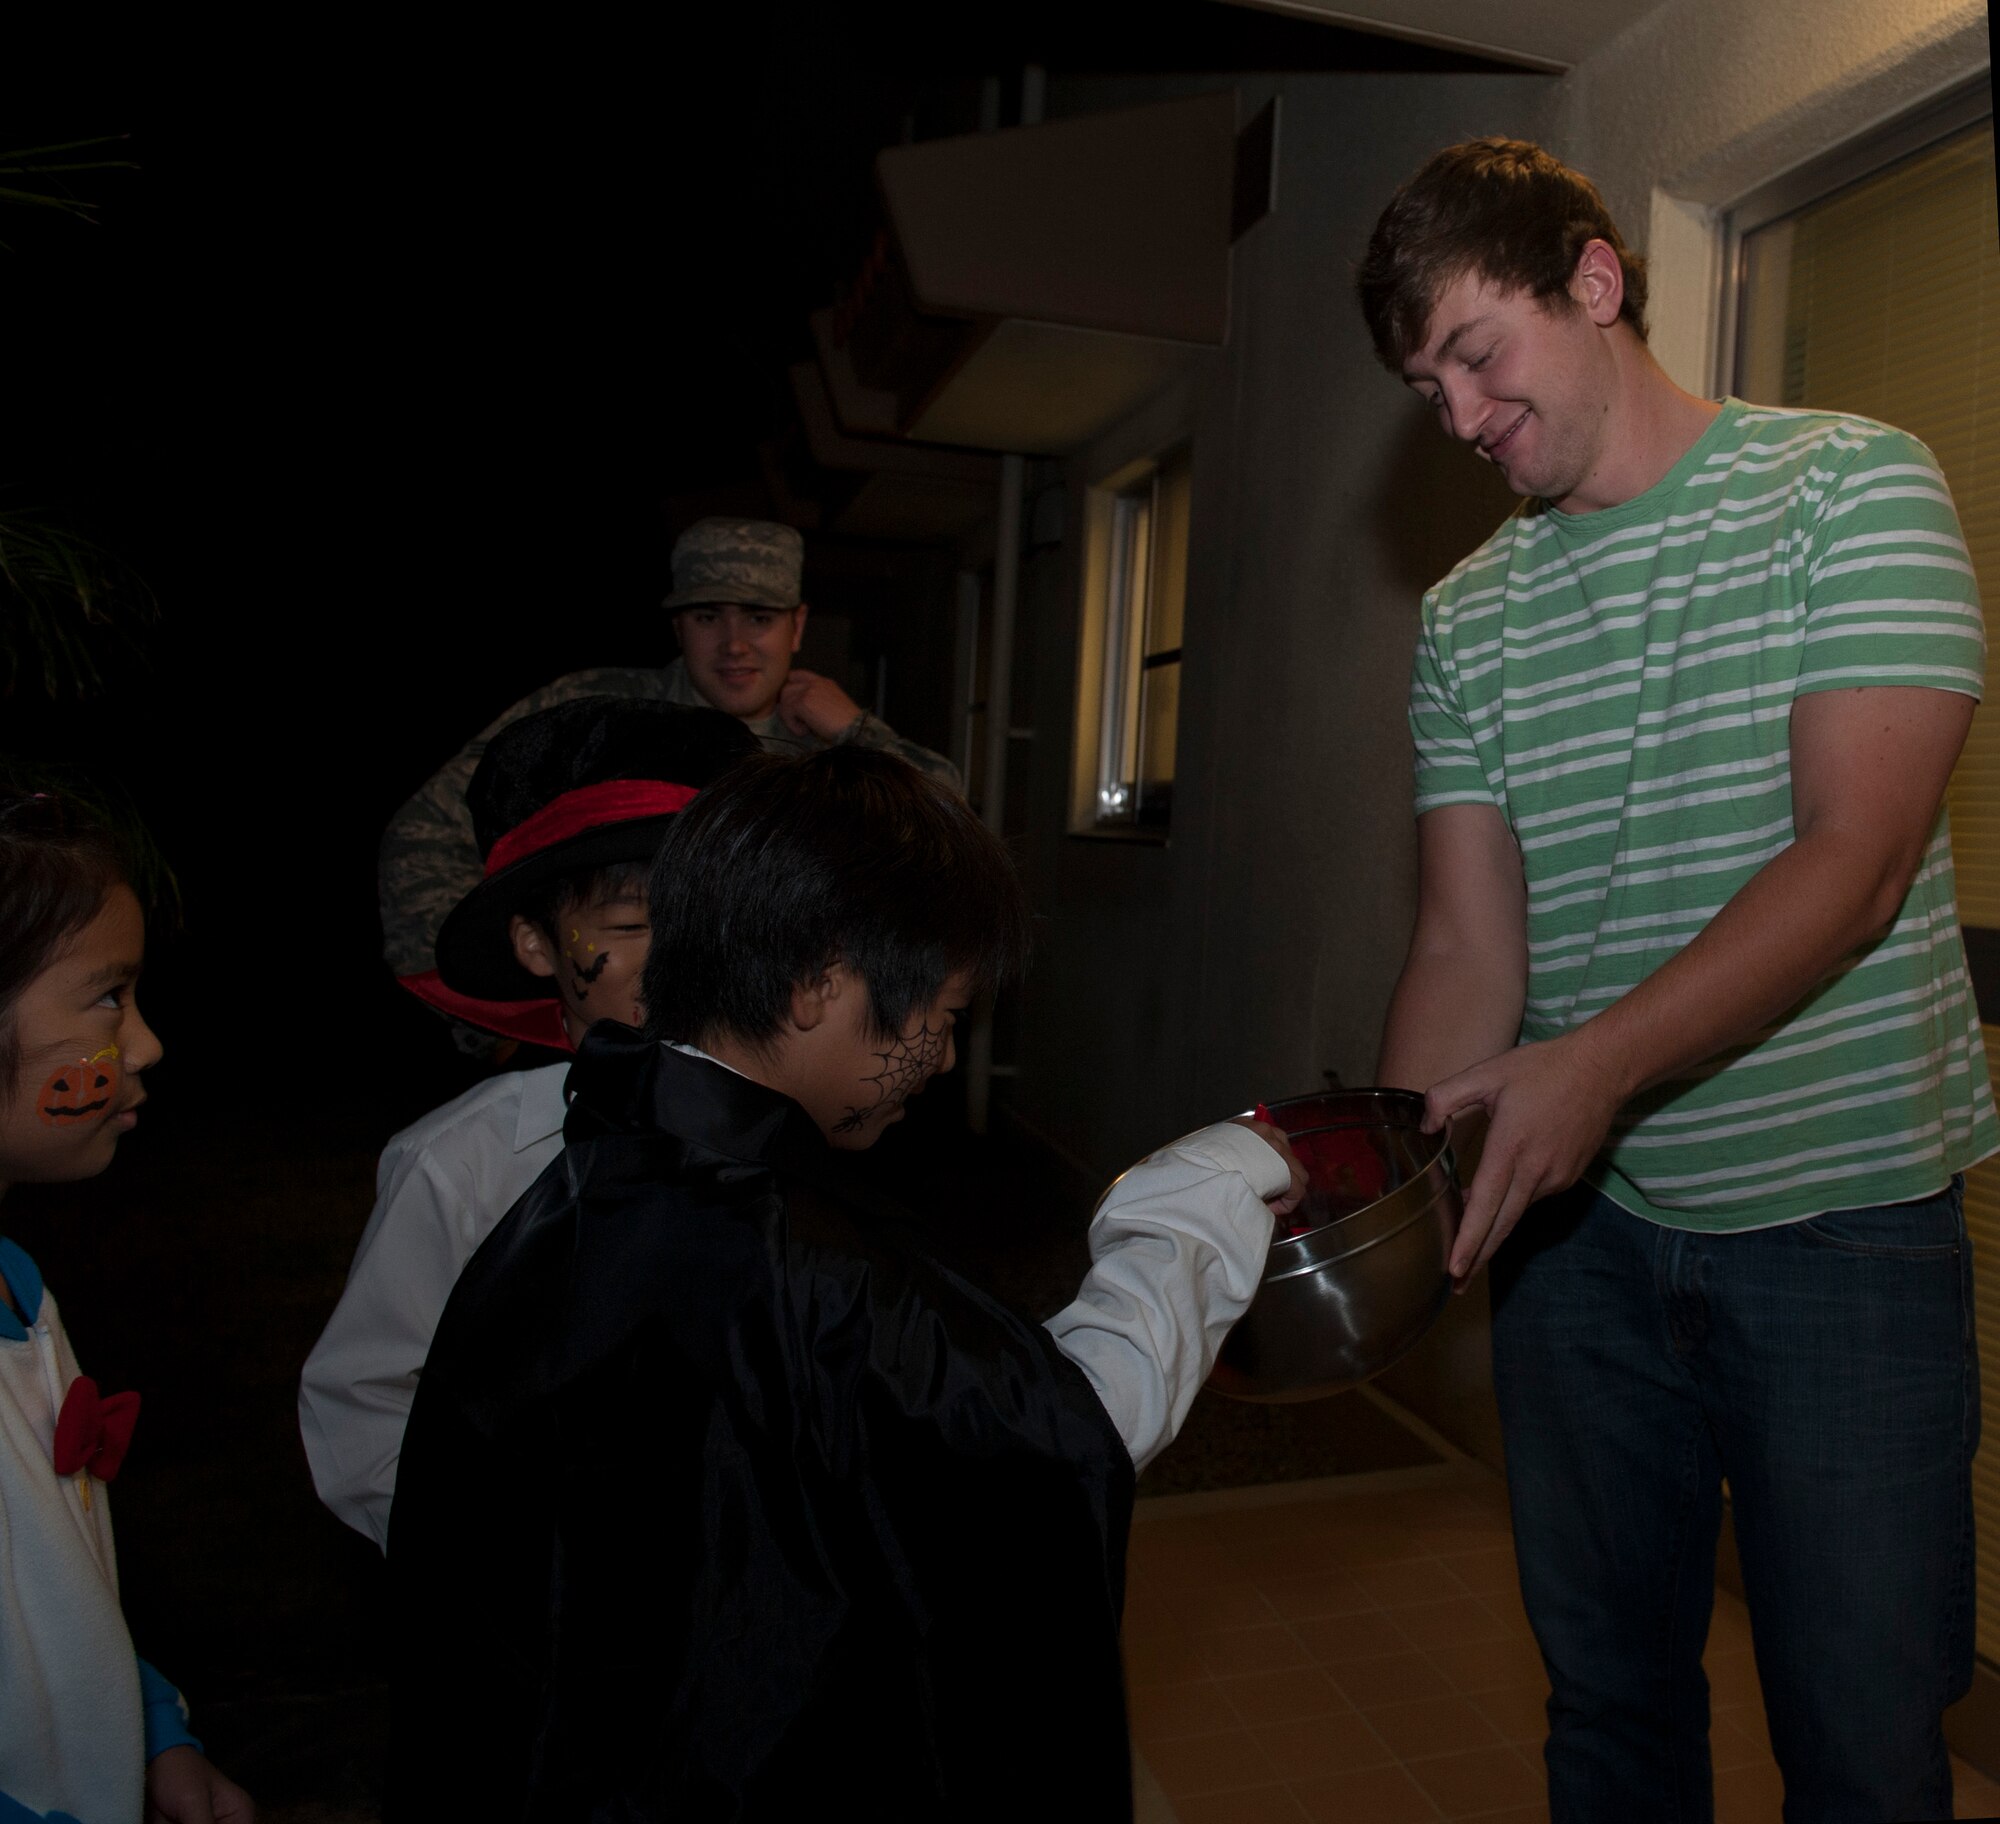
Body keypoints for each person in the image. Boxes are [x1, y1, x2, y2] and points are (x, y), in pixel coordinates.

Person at [1357, 137, 1993, 1820]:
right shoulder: (1466, 616)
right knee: (1612, 1713)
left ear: (1594, 277)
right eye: (1428, 389)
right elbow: (1464, 941)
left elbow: (1852, 864)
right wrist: (1395, 1178)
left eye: (1476, 354)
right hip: (1579, 1249)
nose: (1462, 418)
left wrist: (1590, 1070)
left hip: (1840, 1229)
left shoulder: (1849, 486)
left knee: (1861, 1740)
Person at [382, 748, 1306, 1818]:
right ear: (819, 979)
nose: (942, 1054)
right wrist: (1191, 1203)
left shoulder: (587, 1180)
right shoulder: (783, 1252)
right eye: (940, 1014)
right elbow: (1056, 1435)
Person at [300, 698, 757, 1548]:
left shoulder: (768, 1137)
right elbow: (360, 1408)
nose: (675, 960)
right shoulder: (460, 1165)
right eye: (628, 927)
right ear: (537, 945)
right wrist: (502, 1556)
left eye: (701, 926)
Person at [377, 516, 962, 1001]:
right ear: (678, 626)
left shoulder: (822, 753)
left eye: (758, 617)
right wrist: (486, 1004)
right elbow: (423, 832)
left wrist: (857, 730)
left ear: (797, 625)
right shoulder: (592, 717)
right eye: (709, 617)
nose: (734, 644)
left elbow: (948, 832)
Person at [0, 789, 255, 1823]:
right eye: (108, 999)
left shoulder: (20, 1289)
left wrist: (153, 1730)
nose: (142, 1045)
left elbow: (52, 1592)